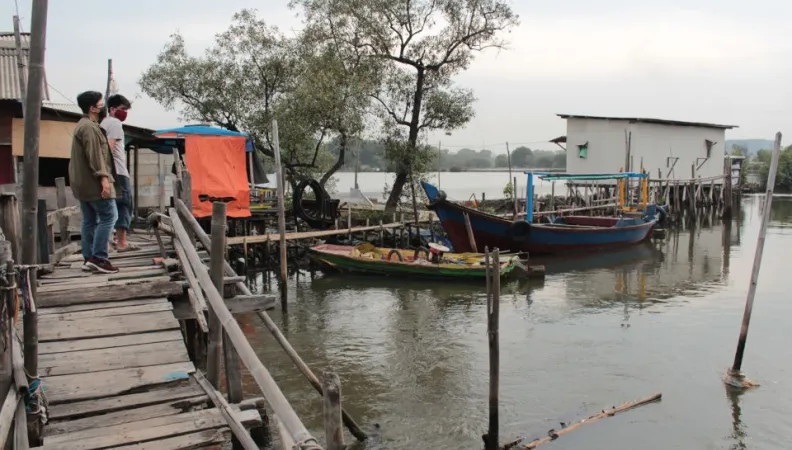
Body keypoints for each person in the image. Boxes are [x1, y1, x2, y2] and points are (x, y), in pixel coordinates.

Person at [69, 91, 119, 274]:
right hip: (93, 182)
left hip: (83, 183)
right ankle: (99, 257)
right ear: (92, 108)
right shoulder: (89, 127)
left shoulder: (82, 125)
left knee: (89, 220)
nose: (103, 106)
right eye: (100, 104)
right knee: (109, 217)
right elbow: (95, 156)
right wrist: (104, 178)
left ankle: (89, 258)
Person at [100, 94, 137, 251]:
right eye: (123, 109)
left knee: (111, 206)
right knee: (124, 204)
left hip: (111, 171)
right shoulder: (114, 123)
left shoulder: (103, 123)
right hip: (118, 171)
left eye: (126, 110)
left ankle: (110, 241)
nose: (125, 113)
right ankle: (122, 242)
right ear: (112, 109)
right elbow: (108, 148)